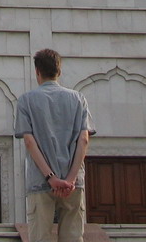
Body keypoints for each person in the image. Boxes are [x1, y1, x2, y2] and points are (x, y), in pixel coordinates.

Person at [14, 49, 96, 242]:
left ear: (37, 72)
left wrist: (51, 178)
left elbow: (29, 141)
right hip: (73, 185)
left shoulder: (26, 100)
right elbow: (83, 139)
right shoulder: (78, 99)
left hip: (40, 183)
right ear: (59, 71)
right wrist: (70, 179)